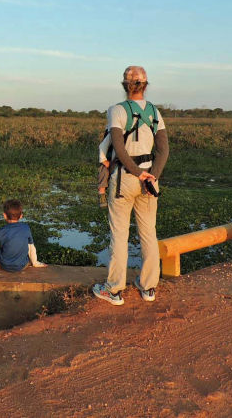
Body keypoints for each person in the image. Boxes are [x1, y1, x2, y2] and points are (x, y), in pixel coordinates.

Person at [93, 65, 169, 306]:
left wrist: (137, 174)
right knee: (148, 233)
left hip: (125, 180)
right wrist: (151, 175)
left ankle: (114, 289)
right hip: (149, 180)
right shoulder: (155, 112)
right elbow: (164, 150)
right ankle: (148, 287)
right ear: (145, 85)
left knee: (119, 235)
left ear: (125, 85)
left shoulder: (116, 110)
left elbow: (118, 146)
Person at [0, 199, 47, 272]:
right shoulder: (26, 228)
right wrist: (35, 262)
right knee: (28, 247)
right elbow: (31, 247)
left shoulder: (2, 230)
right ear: (21, 216)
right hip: (22, 266)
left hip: (4, 265)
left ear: (4, 215)